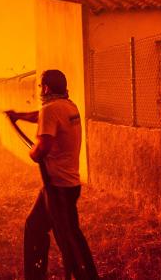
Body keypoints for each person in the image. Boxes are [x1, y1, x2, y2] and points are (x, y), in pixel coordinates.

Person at [7, 69, 98, 280]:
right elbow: (40, 117)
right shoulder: (69, 106)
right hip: (69, 186)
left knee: (66, 238)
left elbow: (41, 150)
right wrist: (18, 116)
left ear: (46, 87)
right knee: (49, 230)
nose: (40, 90)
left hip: (57, 188)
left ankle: (79, 275)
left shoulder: (51, 110)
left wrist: (32, 150)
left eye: (40, 86)